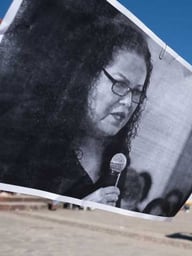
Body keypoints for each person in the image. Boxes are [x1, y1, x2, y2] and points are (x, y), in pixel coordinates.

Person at [0, 1, 152, 208]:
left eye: (136, 92)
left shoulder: (117, 157)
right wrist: (77, 206)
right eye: (120, 84)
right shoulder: (23, 136)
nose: (127, 102)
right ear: (86, 75)